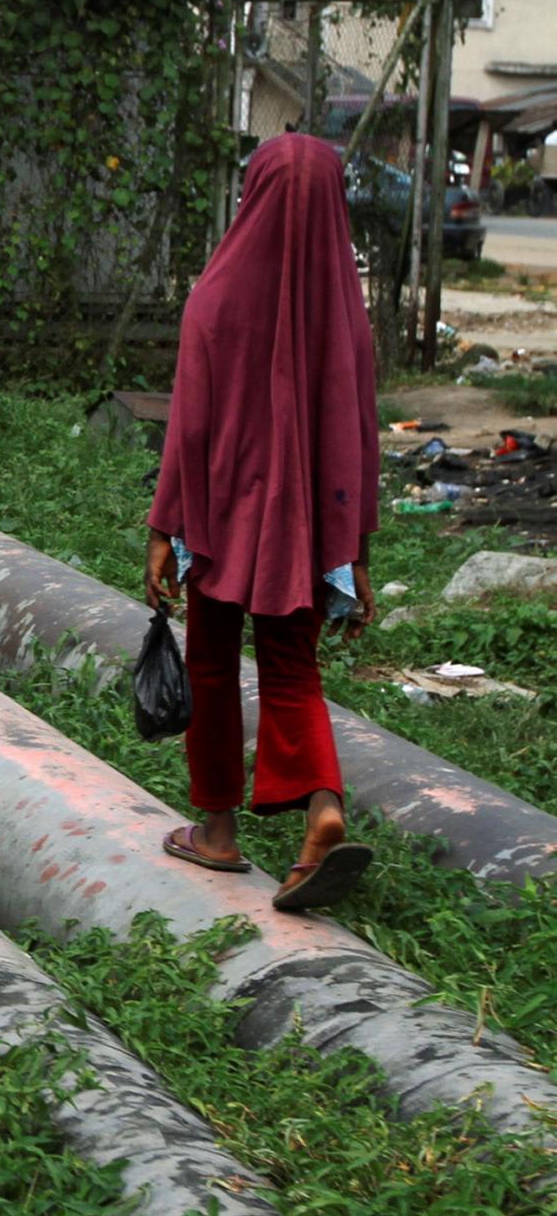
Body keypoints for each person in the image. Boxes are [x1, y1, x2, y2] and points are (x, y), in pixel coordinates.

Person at [146, 131, 378, 913]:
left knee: (211, 663)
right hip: (306, 537)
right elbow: (359, 447)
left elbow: (188, 431)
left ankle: (215, 831)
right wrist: (357, 553)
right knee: (292, 668)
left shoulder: (213, 299)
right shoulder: (345, 319)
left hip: (220, 525)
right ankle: (323, 806)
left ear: (254, 195)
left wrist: (163, 528)